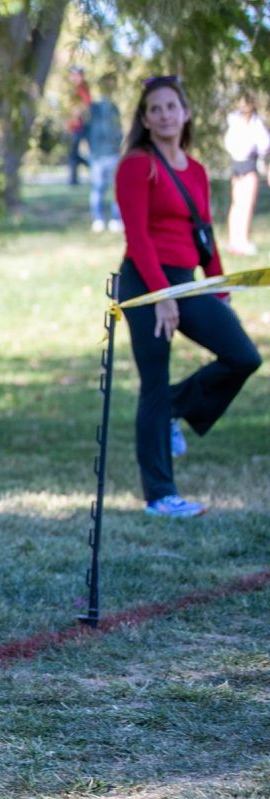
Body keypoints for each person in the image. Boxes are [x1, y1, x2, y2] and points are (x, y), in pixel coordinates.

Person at [114, 75, 262, 518]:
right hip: (145, 283)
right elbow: (137, 236)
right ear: (144, 118)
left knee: (243, 356)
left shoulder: (195, 169)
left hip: (188, 282)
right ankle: (161, 497)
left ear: (186, 113)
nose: (164, 115)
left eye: (171, 107)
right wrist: (161, 295)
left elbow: (205, 234)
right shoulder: (138, 165)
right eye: (154, 109)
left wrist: (218, 285)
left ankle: (176, 409)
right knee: (152, 384)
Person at [223, 94, 270, 256]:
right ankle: (238, 241)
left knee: (239, 204)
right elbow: (264, 145)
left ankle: (238, 240)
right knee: (242, 205)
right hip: (245, 165)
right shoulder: (245, 124)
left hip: (242, 164)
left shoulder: (245, 123)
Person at [85, 76, 123, 233]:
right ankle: (99, 219)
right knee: (98, 188)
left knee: (115, 189)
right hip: (98, 156)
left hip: (110, 154)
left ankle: (114, 219)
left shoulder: (112, 108)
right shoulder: (93, 109)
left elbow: (118, 131)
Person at [66, 66, 91, 186]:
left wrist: (78, 112)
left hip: (79, 126)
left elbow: (87, 105)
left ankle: (74, 178)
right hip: (72, 126)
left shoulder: (82, 89)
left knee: (73, 153)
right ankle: (73, 178)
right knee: (73, 153)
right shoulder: (71, 90)